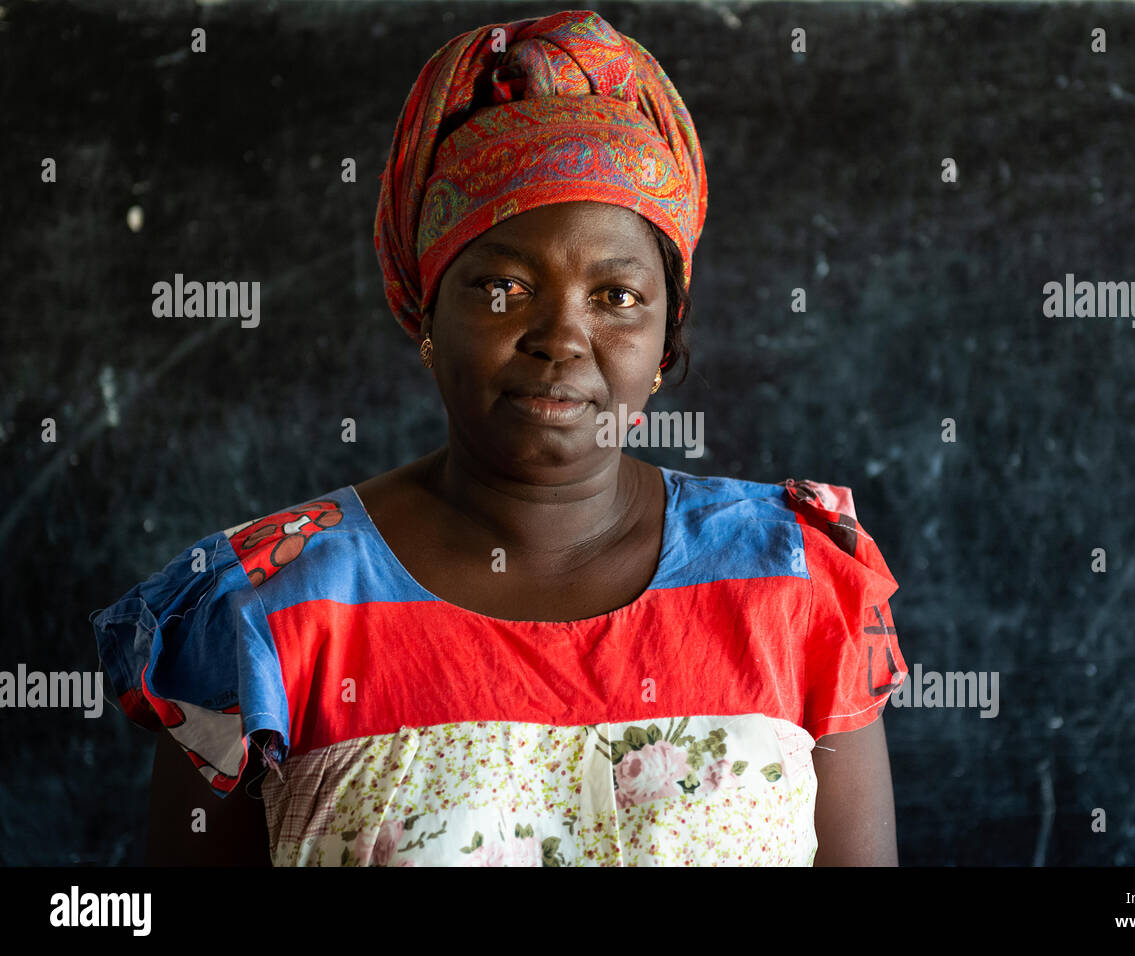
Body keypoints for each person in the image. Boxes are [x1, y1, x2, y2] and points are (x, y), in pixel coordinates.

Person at [90, 9, 908, 866]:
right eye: (503, 288)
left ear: (666, 342)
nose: (561, 337)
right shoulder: (257, 615)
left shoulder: (796, 584)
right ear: (427, 315)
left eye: (616, 296)